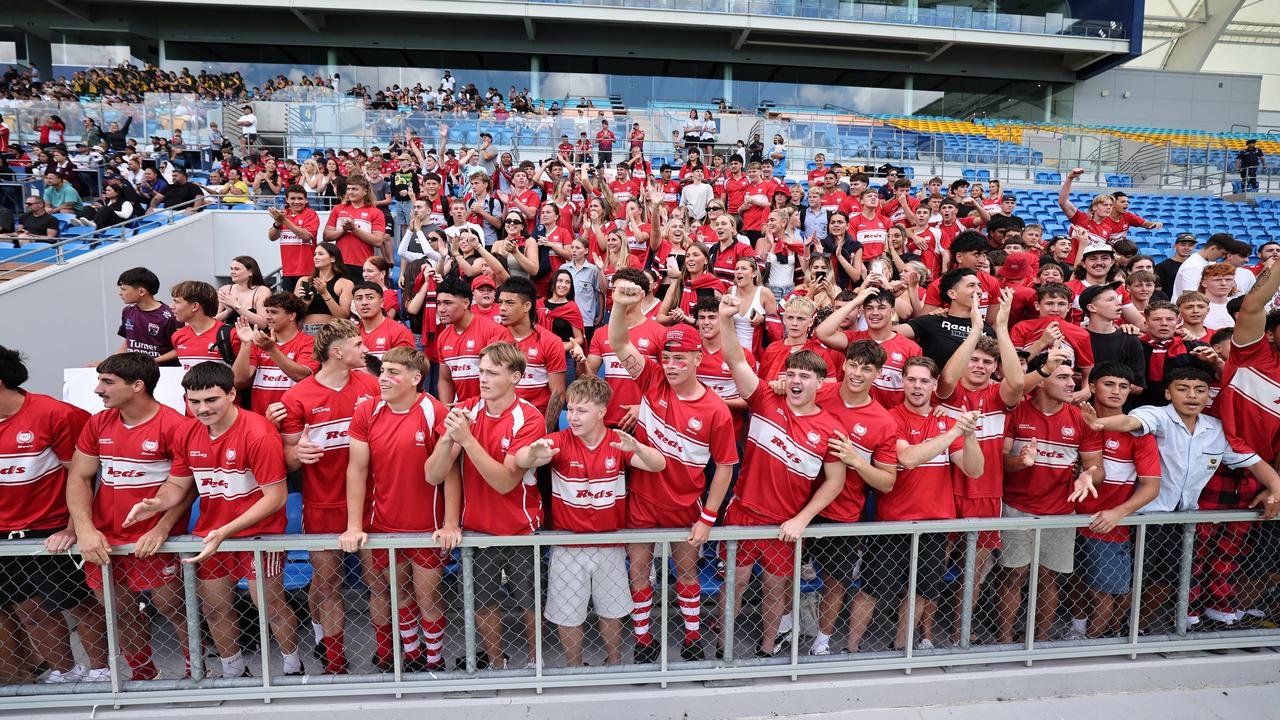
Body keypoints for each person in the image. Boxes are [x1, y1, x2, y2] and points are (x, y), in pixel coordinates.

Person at [122, 361, 303, 679]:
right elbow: (178, 485)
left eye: (211, 400)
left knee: (269, 605)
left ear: (232, 394)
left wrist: (226, 530)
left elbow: (274, 498)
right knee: (216, 607)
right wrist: (154, 504)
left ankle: (292, 666)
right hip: (213, 534)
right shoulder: (186, 431)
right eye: (194, 401)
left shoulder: (258, 432)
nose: (202, 409)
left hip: (259, 535)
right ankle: (233, 671)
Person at [1079, 366, 1280, 631]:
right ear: (1168, 392)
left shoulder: (1216, 429)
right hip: (1144, 517)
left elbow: (1255, 463)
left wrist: (1276, 489)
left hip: (1184, 520)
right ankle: (1113, 631)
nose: (1192, 396)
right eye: (1183, 389)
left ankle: (1135, 627)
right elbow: (1129, 422)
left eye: (1200, 390)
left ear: (1209, 395)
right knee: (1133, 581)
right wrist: (1099, 424)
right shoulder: (1156, 415)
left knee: (1169, 580)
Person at [607, 282, 738, 662]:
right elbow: (618, 341)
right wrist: (619, 305)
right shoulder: (652, 378)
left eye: (682, 357)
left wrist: (708, 518)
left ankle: (693, 637)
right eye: (667, 356)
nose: (673, 364)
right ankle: (644, 641)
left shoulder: (715, 409)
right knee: (639, 573)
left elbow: (726, 467)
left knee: (687, 573)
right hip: (643, 500)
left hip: (685, 504)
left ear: (699, 359)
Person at [714, 292, 848, 658]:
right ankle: (723, 649)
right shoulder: (764, 400)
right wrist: (727, 321)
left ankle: (768, 647)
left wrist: (802, 519)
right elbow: (735, 360)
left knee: (776, 591)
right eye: (791, 373)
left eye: (805, 375)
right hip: (743, 514)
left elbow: (835, 481)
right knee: (735, 585)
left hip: (783, 525)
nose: (796, 380)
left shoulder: (830, 427)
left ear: (821, 383)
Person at [515, 376, 666, 667]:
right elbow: (524, 457)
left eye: (581, 410)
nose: (572, 417)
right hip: (568, 544)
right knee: (567, 613)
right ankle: (574, 666)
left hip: (609, 543)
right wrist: (532, 454)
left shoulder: (618, 442)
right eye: (570, 409)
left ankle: (613, 662)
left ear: (601, 411)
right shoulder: (559, 441)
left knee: (612, 611)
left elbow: (657, 464)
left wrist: (637, 448)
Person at [64, 353, 193, 681]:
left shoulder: (175, 425)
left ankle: (198, 673)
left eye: (107, 382)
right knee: (118, 612)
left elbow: (186, 487)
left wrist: (163, 528)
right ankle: (143, 674)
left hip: (155, 540)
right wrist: (85, 529)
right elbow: (79, 478)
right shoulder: (98, 422)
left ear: (138, 386)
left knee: (173, 608)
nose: (98, 389)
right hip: (106, 538)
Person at [340, 347, 460, 673]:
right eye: (382, 371)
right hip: (385, 523)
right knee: (400, 595)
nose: (384, 378)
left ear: (416, 378)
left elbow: (450, 471)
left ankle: (434, 661)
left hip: (426, 525)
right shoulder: (367, 411)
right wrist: (354, 525)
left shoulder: (433, 410)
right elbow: (357, 470)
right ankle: (412, 655)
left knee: (428, 598)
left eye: (394, 372)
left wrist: (450, 522)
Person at [426, 342, 545, 670]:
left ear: (515, 377)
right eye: (480, 371)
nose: (483, 378)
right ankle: (496, 664)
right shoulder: (466, 410)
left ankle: (535, 663)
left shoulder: (529, 417)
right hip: (478, 527)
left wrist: (467, 439)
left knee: (530, 601)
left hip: (521, 528)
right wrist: (450, 438)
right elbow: (433, 474)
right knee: (483, 603)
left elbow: (506, 482)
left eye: (492, 372)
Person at [0, 346, 109, 684]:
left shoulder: (56, 414)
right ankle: (65, 672)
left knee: (77, 604)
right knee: (28, 611)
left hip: (51, 530)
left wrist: (73, 527)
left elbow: (84, 478)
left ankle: (103, 671)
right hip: (5, 534)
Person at [279, 320, 379, 675]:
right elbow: (288, 456)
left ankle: (387, 654)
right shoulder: (296, 396)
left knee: (378, 581)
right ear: (337, 352)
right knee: (327, 584)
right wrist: (297, 454)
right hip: (322, 502)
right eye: (357, 343)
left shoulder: (371, 385)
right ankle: (334, 660)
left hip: (371, 501)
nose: (364, 348)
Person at [995, 352, 1102, 644]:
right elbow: (999, 463)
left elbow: (1097, 468)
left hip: (1060, 512)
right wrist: (1021, 462)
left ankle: (1039, 641)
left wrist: (1087, 475)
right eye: (1063, 377)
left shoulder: (1081, 418)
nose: (1072, 383)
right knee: (1013, 576)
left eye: (1073, 377)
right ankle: (1005, 641)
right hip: (1016, 507)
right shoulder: (1016, 411)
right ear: (1041, 382)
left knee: (1048, 579)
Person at [879, 357, 983, 650]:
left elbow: (974, 470)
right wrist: (952, 433)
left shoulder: (948, 422)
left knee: (923, 590)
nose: (917, 386)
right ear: (902, 381)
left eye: (925, 381)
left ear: (935, 385)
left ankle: (900, 647)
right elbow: (907, 458)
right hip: (895, 519)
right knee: (875, 588)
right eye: (911, 379)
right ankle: (850, 650)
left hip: (937, 521)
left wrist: (969, 434)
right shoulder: (891, 417)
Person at [802, 340, 898, 656]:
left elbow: (886, 482)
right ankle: (787, 628)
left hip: (842, 510)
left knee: (836, 581)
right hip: (795, 501)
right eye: (853, 365)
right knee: (784, 574)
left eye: (866, 369)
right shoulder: (819, 393)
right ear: (844, 364)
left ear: (878, 374)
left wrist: (857, 461)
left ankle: (822, 641)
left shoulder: (883, 421)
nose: (857, 373)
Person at [1067, 361, 1161, 639]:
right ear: (1092, 386)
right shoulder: (1072, 418)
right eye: (1109, 384)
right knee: (1076, 583)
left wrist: (1116, 514)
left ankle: (1093, 645)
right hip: (1066, 517)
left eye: (1123, 386)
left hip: (1107, 526)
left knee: (1105, 591)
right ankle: (1076, 632)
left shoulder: (1138, 432)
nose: (1117, 391)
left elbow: (1151, 487)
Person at [586, 268, 667, 431]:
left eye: (625, 290)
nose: (618, 295)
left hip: (645, 421)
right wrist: (580, 361)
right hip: (607, 419)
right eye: (615, 290)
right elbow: (589, 377)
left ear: (641, 294)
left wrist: (643, 407)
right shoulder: (601, 332)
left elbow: (667, 384)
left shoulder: (660, 333)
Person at [815, 287, 922, 408]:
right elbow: (822, 333)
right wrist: (856, 301)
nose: (875, 313)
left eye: (881, 308)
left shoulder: (911, 348)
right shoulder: (853, 338)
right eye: (869, 308)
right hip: (851, 413)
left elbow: (915, 388)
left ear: (892, 312)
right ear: (863, 312)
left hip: (890, 418)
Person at [231, 292, 318, 415]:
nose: (267, 317)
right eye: (267, 312)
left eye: (274, 312)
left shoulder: (309, 342)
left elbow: (301, 376)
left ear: (292, 316)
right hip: (262, 418)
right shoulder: (259, 341)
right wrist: (246, 344)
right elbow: (237, 382)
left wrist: (272, 350)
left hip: (296, 417)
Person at [496, 277, 566, 424]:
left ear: (527, 306)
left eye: (509, 303)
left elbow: (557, 394)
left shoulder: (551, 342)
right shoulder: (495, 340)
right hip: (502, 420)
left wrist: (545, 430)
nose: (502, 308)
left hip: (536, 421)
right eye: (500, 302)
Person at [434, 275, 509, 406]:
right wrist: (446, 409)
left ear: (466, 303)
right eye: (438, 303)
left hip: (491, 409)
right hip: (461, 411)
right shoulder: (443, 337)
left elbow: (500, 379)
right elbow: (445, 379)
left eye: (448, 303)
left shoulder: (494, 331)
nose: (441, 309)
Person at [113, 267, 181, 365]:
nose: (120, 293)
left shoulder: (171, 316)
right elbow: (128, 342)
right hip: (137, 369)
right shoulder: (128, 310)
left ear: (141, 292)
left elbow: (180, 349)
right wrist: (113, 363)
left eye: (123, 289)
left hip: (162, 371)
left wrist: (151, 362)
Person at [171, 280, 240, 374]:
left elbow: (242, 380)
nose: (171, 306)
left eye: (176, 302)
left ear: (195, 306)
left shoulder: (232, 334)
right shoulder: (177, 336)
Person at [324, 175, 387, 276]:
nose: (350, 192)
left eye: (355, 189)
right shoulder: (337, 209)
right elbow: (326, 236)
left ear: (365, 191)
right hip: (340, 263)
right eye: (348, 189)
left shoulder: (376, 212)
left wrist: (354, 229)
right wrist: (343, 230)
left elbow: (378, 241)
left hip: (364, 264)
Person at [268, 185, 320, 293]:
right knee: (289, 305)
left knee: (305, 302)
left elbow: (306, 236)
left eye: (300, 198)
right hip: (288, 271)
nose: (296, 202)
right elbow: (272, 237)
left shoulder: (310, 214)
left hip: (307, 272)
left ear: (306, 200)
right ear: (287, 200)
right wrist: (278, 222)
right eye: (292, 198)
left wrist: (284, 221)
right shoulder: (284, 214)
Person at [1057, 168, 1114, 264]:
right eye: (1105, 205)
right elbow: (1062, 202)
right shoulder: (1081, 218)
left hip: (1089, 268)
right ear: (1094, 207)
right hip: (1070, 264)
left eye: (1111, 205)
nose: (1109, 208)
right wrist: (1070, 178)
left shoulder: (1108, 229)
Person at [294, 243, 354, 333]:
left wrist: (325, 294)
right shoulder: (304, 281)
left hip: (331, 331)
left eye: (320, 254)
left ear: (332, 258)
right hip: (306, 330)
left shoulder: (345, 283)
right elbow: (292, 315)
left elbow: (343, 317)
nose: (316, 257)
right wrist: (305, 304)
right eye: (315, 254)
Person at [1170, 232, 1234, 303]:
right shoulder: (1193, 266)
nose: (1223, 257)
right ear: (1213, 248)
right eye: (1223, 253)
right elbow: (1189, 296)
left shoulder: (1210, 261)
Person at [216, 255, 272, 330]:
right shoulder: (225, 289)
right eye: (231, 269)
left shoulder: (262, 291)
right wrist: (228, 311)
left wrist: (236, 306)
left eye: (237, 269)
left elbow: (263, 324)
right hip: (228, 337)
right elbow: (214, 322)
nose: (232, 272)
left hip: (253, 338)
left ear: (251, 272)